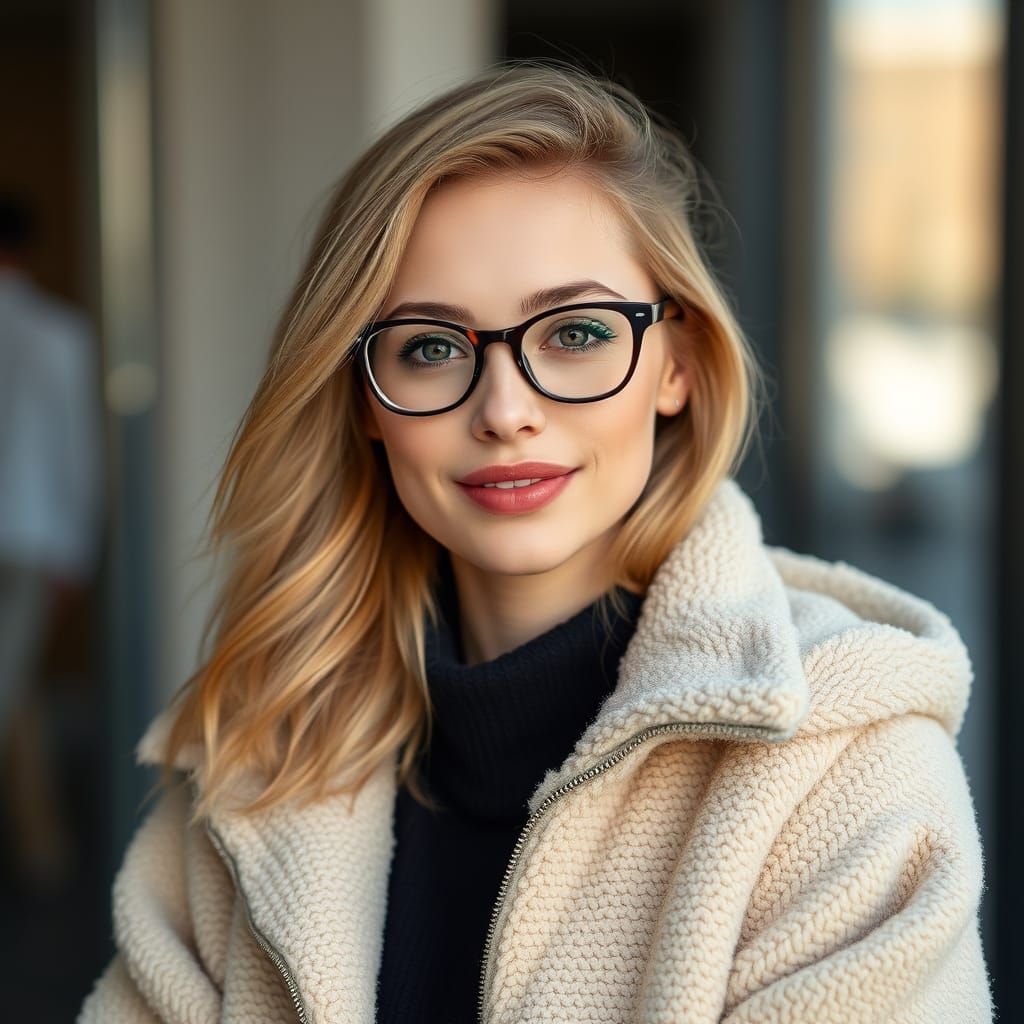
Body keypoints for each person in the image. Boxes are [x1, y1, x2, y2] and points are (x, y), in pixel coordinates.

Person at [77, 61, 994, 1023]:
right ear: (365, 404)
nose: (506, 410)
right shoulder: (256, 755)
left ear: (676, 363)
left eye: (577, 333)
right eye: (431, 348)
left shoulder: (838, 763)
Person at [0, 194, 104, 893]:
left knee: (15, 688)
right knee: (13, 688)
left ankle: (42, 852)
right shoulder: (60, 333)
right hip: (31, 535)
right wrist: (77, 551)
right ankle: (43, 852)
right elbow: (79, 452)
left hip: (26, 538)